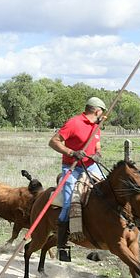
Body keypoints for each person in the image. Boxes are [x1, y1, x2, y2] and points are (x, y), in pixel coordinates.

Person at [48, 96, 107, 262]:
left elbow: (97, 145)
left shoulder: (97, 126)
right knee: (69, 202)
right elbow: (53, 142)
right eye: (102, 112)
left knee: (106, 194)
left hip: (91, 166)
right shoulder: (74, 123)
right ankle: (62, 245)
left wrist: (97, 154)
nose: (103, 115)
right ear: (97, 111)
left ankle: (100, 240)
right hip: (72, 167)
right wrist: (72, 153)